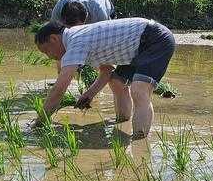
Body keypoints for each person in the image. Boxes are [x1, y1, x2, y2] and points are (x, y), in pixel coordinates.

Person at [33, 17, 176, 138]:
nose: (50, 56)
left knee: (139, 90)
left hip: (155, 39)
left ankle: (140, 140)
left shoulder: (75, 42)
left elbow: (59, 89)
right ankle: (122, 122)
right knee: (116, 81)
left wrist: (38, 123)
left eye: (46, 51)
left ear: (53, 39)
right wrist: (89, 94)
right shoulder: (79, 37)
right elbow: (107, 71)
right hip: (136, 48)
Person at [51, 0, 115, 27]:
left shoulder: (100, 13)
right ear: (63, 20)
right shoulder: (58, 9)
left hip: (101, 0)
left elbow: (104, 34)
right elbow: (54, 32)